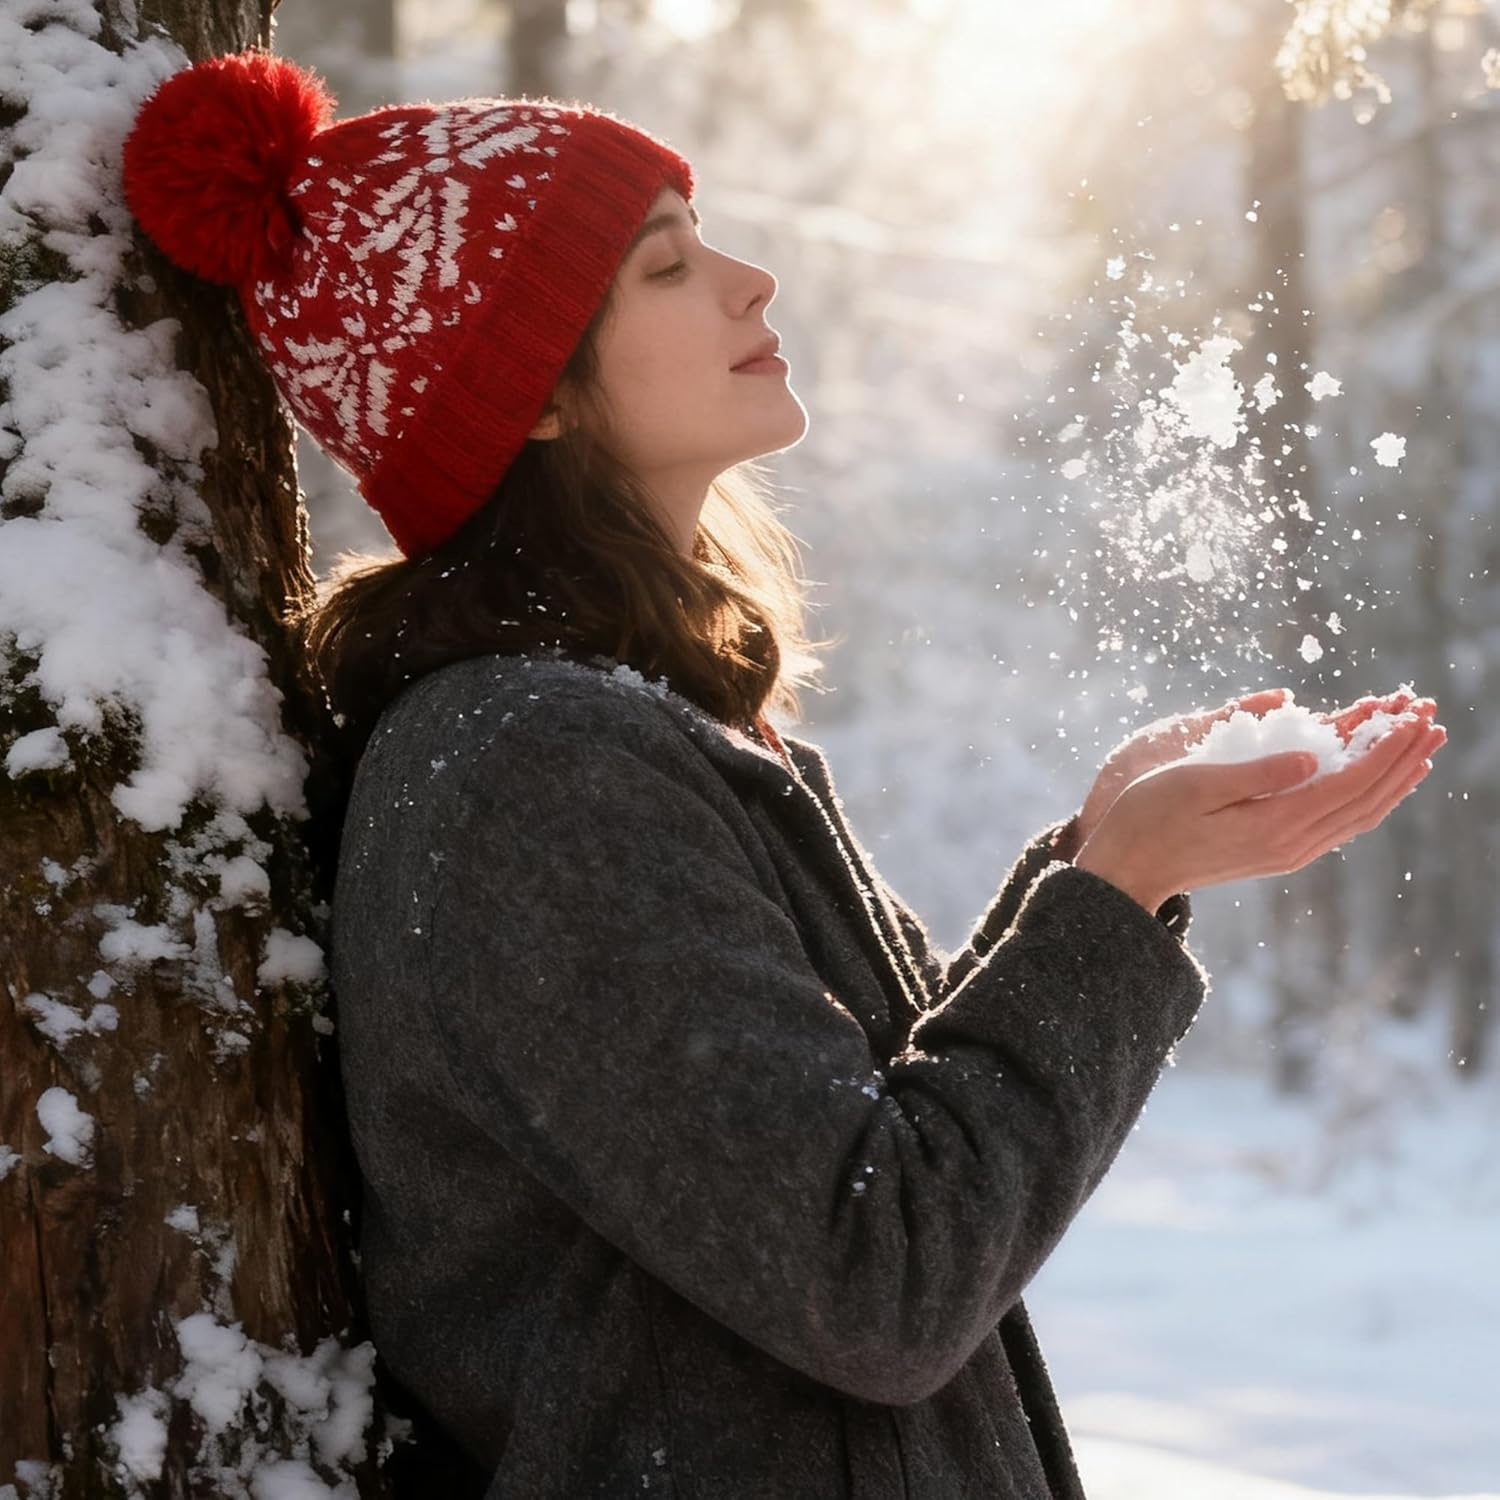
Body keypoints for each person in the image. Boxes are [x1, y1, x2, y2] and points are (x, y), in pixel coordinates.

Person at [122, 52, 1446, 1500]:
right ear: (534, 391)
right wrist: (1119, 897)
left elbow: (867, 1142)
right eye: (669, 268)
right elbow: (879, 1268)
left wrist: (1093, 871)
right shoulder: (531, 776)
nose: (753, 281)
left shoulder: (616, 733)